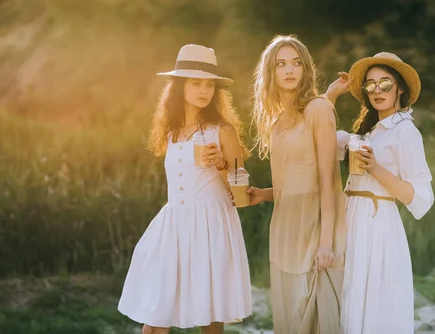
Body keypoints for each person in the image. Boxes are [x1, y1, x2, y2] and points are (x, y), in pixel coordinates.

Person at [118, 44, 252, 334]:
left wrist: (221, 165)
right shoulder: (171, 131)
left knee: (210, 314)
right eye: (196, 82)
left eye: (209, 85)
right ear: (180, 86)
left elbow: (242, 192)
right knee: (155, 317)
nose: (204, 90)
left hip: (210, 225)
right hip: (174, 224)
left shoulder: (223, 130)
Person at [326, 52, 434, 334]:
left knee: (373, 302)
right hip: (350, 218)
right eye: (370, 85)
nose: (377, 91)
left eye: (385, 84)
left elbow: (419, 196)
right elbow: (324, 136)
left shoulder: (405, 131)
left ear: (399, 88)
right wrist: (331, 97)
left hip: (377, 223)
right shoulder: (369, 131)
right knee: (349, 297)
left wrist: (375, 168)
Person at [247, 35, 346, 333]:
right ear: (271, 72)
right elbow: (291, 183)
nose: (289, 70)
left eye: (296, 63)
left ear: (306, 69)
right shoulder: (277, 122)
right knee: (291, 320)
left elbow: (327, 180)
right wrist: (262, 195)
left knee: (319, 317)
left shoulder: (318, 109)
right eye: (281, 64)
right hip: (285, 229)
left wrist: (326, 242)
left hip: (317, 225)